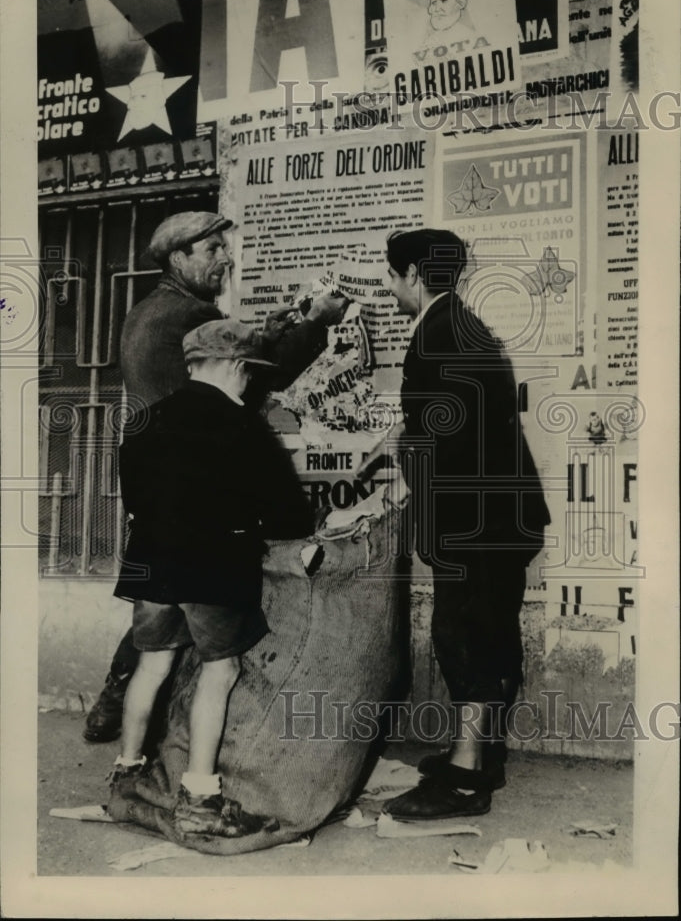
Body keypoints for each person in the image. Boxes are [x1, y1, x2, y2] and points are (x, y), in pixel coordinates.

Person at [85, 210, 348, 742]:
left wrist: (268, 330)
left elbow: (227, 355)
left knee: (157, 622)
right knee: (215, 651)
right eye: (211, 250)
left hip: (159, 501)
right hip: (198, 505)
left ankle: (121, 721)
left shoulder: (150, 311)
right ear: (177, 258)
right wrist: (317, 323)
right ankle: (185, 753)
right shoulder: (186, 316)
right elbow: (242, 387)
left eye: (224, 248)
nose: (225, 259)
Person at [108, 318, 315, 837]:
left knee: (151, 665)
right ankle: (200, 797)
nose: (249, 383)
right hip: (213, 565)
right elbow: (288, 513)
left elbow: (134, 498)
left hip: (150, 560)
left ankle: (125, 775)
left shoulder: (145, 420)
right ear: (239, 368)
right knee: (219, 673)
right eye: (250, 373)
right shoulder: (242, 425)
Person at [378, 228, 550, 820]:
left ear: (416, 277)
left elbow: (444, 437)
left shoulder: (440, 334)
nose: (390, 286)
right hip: (500, 516)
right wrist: (400, 443)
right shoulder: (463, 325)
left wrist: (401, 478)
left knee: (464, 637)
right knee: (493, 632)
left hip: (473, 519)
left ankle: (465, 777)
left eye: (393, 275)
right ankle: (485, 753)